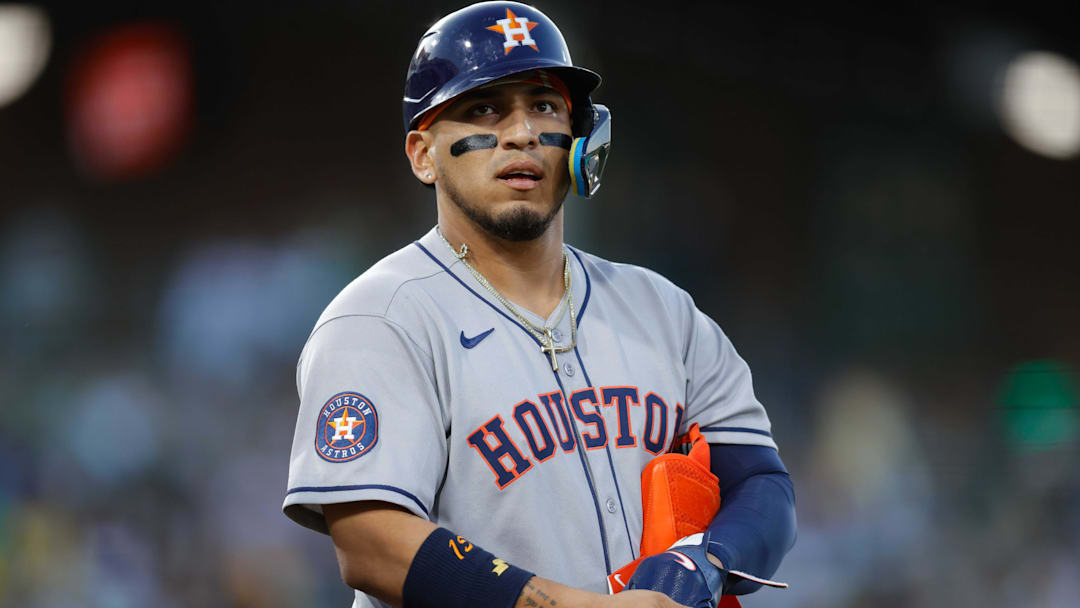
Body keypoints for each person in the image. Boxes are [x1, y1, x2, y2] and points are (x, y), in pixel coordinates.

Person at [283, 3, 796, 607]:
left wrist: (704, 561)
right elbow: (370, 542)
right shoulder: (382, 318)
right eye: (484, 109)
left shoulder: (662, 310)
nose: (522, 132)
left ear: (581, 141)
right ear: (423, 154)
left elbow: (761, 485)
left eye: (544, 106)